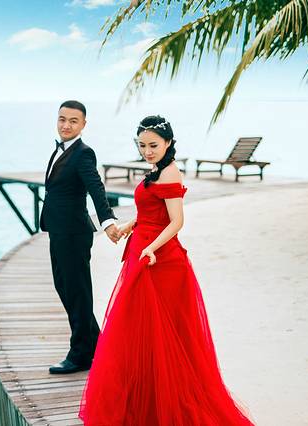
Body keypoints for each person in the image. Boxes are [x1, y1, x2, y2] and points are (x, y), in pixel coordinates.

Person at [78, 115, 254, 425]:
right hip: (142, 250)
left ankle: (164, 401)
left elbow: (177, 221)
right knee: (138, 329)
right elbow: (152, 209)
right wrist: (131, 224)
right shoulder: (157, 169)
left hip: (160, 260)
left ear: (168, 143)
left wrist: (151, 247)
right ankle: (144, 397)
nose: (147, 151)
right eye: (142, 145)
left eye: (153, 145)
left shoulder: (170, 172)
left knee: (163, 333)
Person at [39, 100, 120, 375]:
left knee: (76, 292)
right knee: (66, 287)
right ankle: (96, 346)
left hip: (73, 233)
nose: (66, 125)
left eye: (73, 121)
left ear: (84, 124)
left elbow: (96, 187)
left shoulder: (84, 153)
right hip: (59, 230)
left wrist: (107, 220)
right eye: (62, 119)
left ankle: (80, 354)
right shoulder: (61, 149)